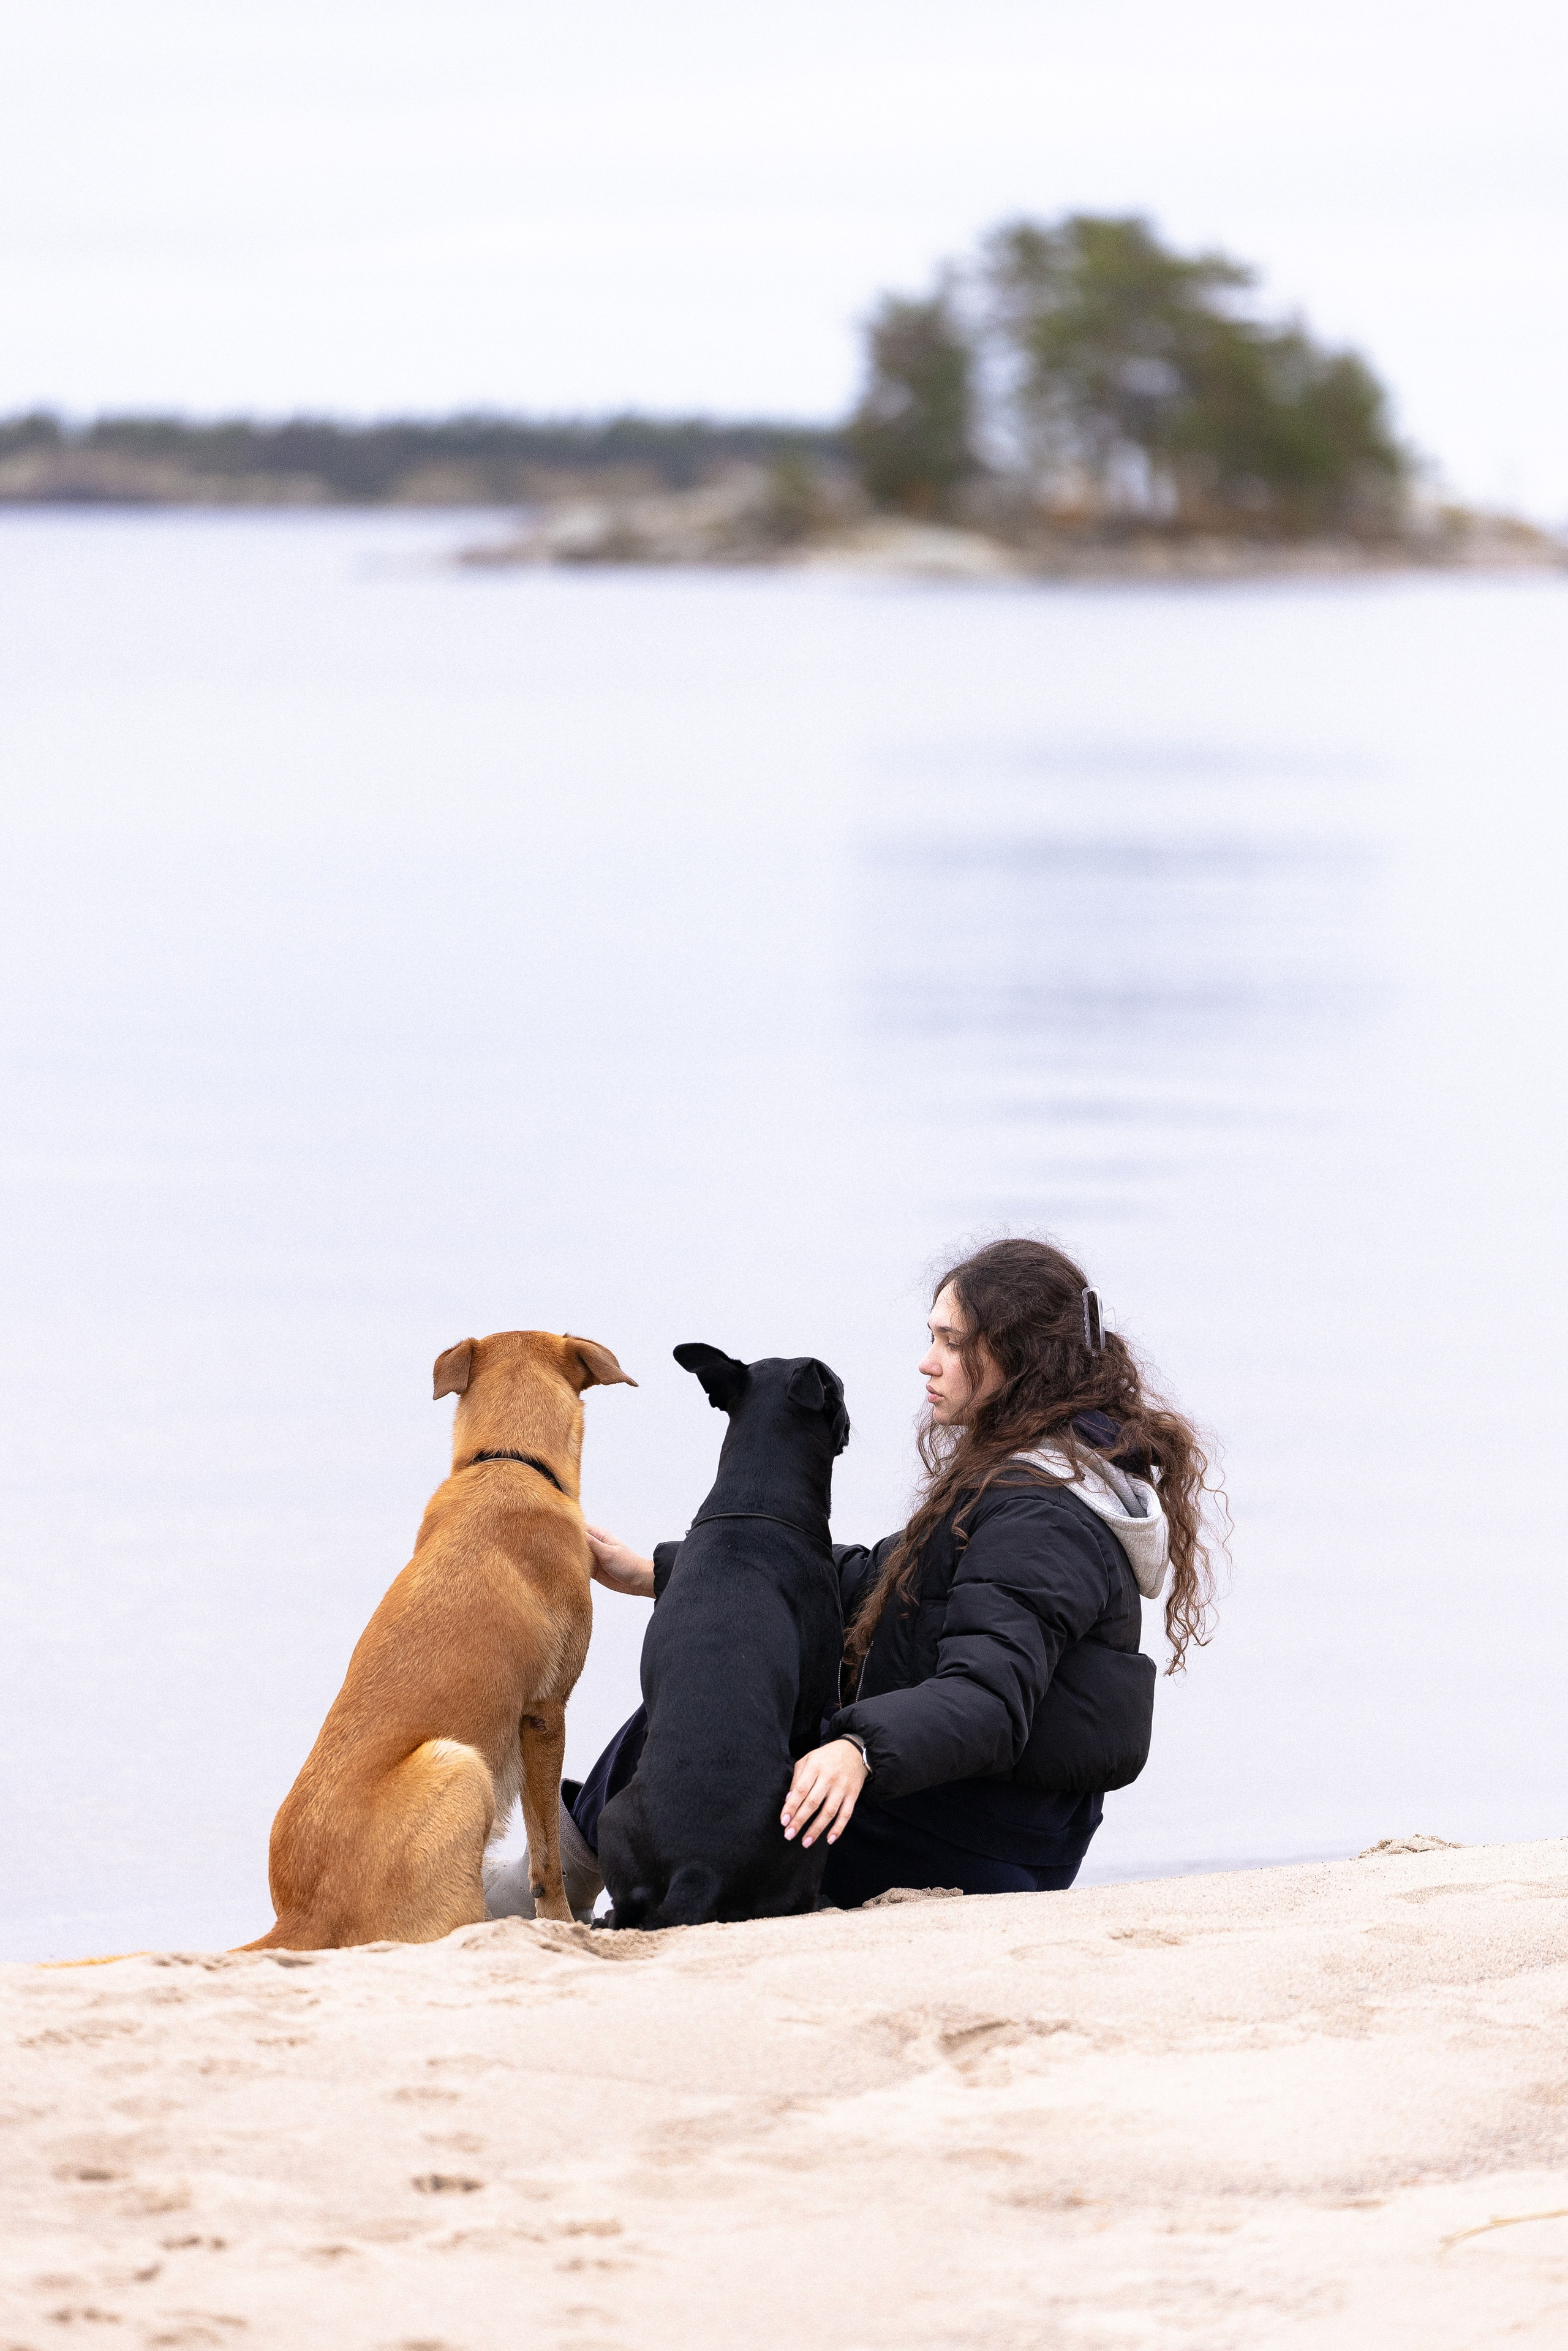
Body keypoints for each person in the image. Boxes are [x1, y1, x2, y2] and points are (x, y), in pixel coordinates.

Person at [577, 1236, 1218, 1908]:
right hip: (983, 1818)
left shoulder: (1042, 1521)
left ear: (1018, 1356)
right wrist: (659, 1571)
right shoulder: (1032, 1474)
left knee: (710, 1706)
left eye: (950, 1341)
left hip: (968, 1841)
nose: (927, 1362)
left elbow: (986, 1699)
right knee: (728, 1680)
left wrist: (858, 1748)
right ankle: (578, 1860)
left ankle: (567, 1866)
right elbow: (870, 1578)